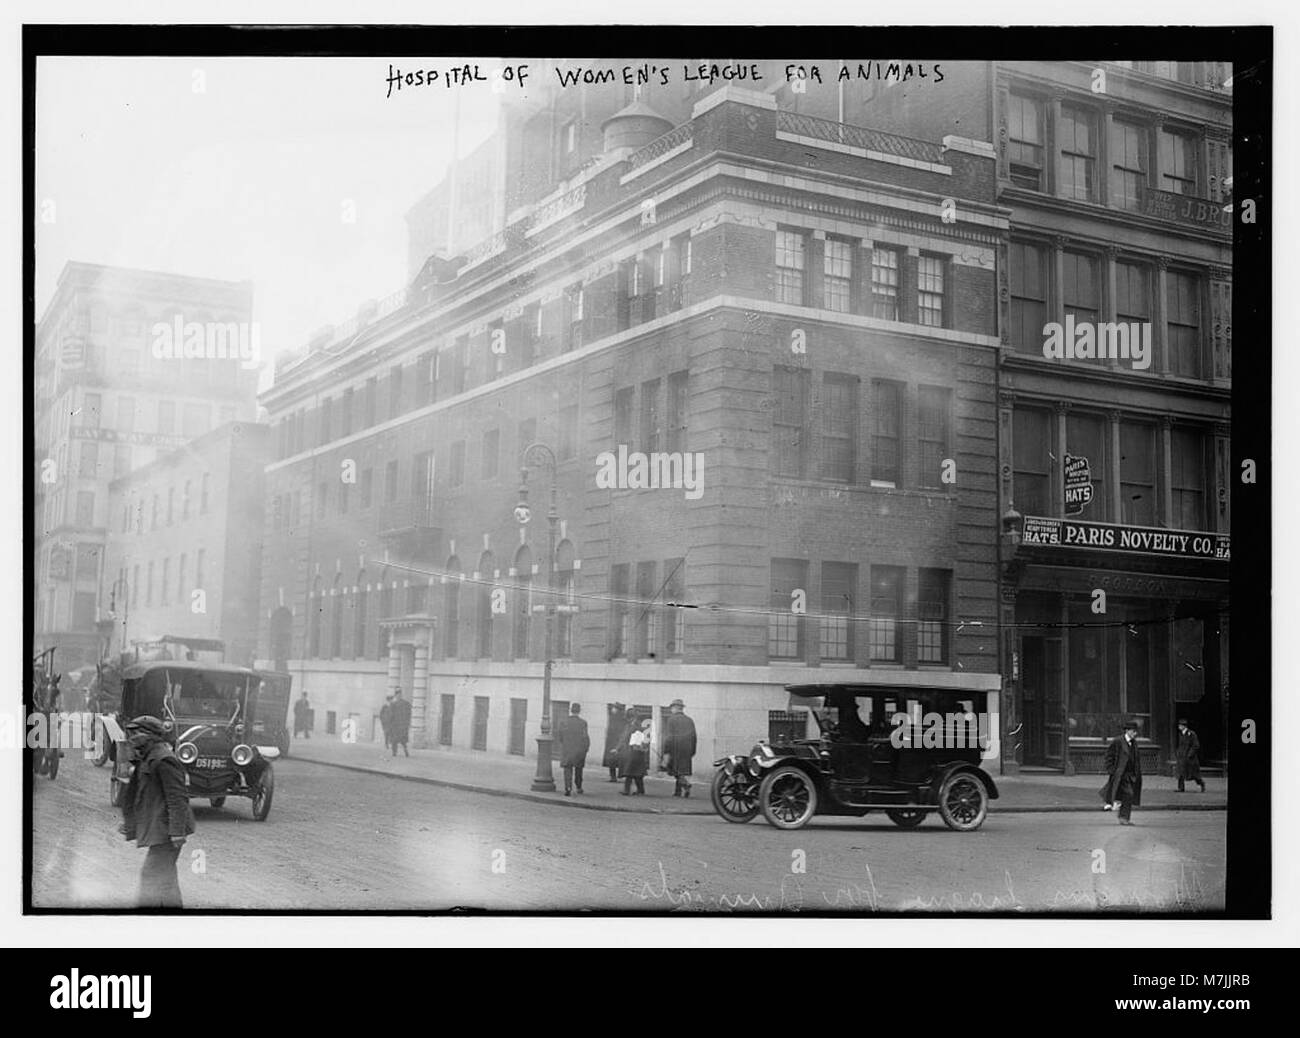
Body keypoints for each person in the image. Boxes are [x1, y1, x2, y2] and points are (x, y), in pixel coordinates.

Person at [118, 715, 195, 908]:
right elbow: (137, 794)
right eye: (131, 733)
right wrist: (130, 824)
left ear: (151, 736)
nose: (132, 738)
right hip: (161, 829)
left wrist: (176, 831)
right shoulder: (146, 757)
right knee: (166, 881)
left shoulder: (164, 760)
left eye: (137, 733)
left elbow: (177, 799)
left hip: (168, 832)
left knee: (151, 877)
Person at [1100, 718, 1144, 825]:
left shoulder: (1134, 743)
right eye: (1133, 731)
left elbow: (1135, 758)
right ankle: (1124, 818)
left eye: (1136, 731)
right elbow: (1109, 756)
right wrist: (1111, 770)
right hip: (1121, 774)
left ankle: (1123, 816)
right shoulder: (1118, 741)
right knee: (1128, 794)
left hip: (1131, 774)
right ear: (1127, 731)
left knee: (1128, 795)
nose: (1135, 734)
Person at [662, 699, 698, 798]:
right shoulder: (689, 720)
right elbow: (694, 736)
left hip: (675, 748)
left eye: (672, 708)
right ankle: (678, 791)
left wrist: (666, 750)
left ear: (675, 708)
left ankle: (685, 785)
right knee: (680, 770)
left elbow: (669, 737)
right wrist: (693, 750)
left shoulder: (671, 719)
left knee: (675, 770)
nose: (671, 710)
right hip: (687, 749)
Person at [556, 702, 591, 796]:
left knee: (567, 769)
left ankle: (568, 788)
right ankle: (579, 787)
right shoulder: (583, 723)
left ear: (571, 710)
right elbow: (585, 737)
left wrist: (565, 744)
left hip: (567, 749)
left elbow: (560, 736)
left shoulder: (564, 722)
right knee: (579, 769)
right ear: (579, 711)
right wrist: (586, 748)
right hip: (579, 750)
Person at [622, 718, 652, 796]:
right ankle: (640, 790)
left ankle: (627, 790)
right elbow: (646, 747)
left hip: (633, 755)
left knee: (629, 774)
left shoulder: (635, 733)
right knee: (638, 775)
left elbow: (634, 746)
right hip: (640, 757)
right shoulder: (645, 733)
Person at [1176, 718, 1206, 792]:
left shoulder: (1191, 734)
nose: (1179, 726)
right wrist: (1178, 752)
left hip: (1190, 758)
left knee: (1194, 774)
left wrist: (1190, 754)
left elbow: (1196, 745)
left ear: (1184, 726)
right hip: (1181, 757)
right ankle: (1181, 788)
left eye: (1180, 725)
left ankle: (1201, 783)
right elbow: (1180, 745)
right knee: (1180, 773)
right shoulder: (1180, 734)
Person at [602, 702, 628, 782]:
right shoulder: (620, 718)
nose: (613, 709)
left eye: (614, 708)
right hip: (614, 741)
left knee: (613, 760)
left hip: (615, 741)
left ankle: (615, 776)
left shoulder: (618, 718)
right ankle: (616, 776)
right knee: (614, 760)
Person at [389, 687, 412, 757]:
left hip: (397, 725)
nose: (399, 695)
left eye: (399, 694)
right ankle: (398, 752)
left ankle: (397, 752)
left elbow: (391, 715)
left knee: (397, 740)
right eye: (398, 694)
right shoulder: (406, 703)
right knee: (401, 740)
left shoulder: (394, 704)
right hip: (400, 725)